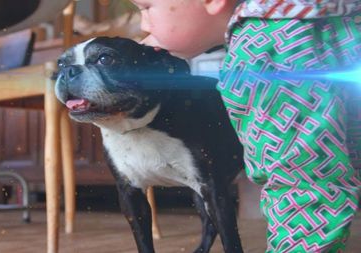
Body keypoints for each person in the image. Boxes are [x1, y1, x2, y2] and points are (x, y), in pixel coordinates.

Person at [129, 0, 361, 251]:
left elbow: (302, 180)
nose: (144, 25)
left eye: (146, 8)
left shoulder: (267, 52)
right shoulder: (322, 22)